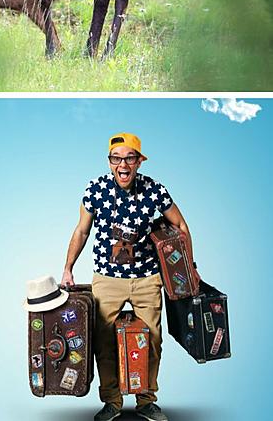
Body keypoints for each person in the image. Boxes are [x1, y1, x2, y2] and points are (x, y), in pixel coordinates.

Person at [61, 133, 195, 421]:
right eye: (116, 158)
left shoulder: (155, 190)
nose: (123, 164)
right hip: (107, 278)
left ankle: (146, 400)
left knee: (153, 340)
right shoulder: (95, 190)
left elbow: (180, 224)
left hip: (147, 277)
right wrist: (68, 268)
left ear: (139, 162)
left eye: (129, 158)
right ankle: (112, 401)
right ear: (110, 163)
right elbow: (82, 231)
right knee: (104, 341)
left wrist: (188, 267)